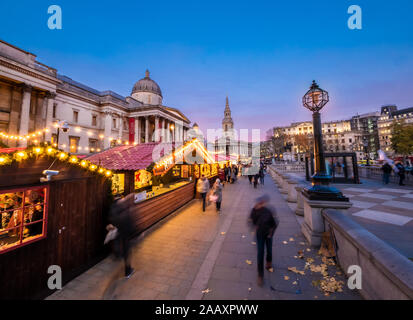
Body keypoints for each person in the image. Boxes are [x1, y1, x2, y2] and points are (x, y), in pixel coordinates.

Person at [249, 194, 278, 286]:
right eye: (258, 203)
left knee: (269, 250)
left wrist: (271, 233)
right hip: (260, 235)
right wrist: (255, 226)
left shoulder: (268, 211)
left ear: (264, 203)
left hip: (268, 235)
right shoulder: (254, 211)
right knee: (260, 253)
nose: (259, 205)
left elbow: (274, 223)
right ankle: (260, 275)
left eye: (261, 203)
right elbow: (251, 221)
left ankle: (269, 262)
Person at [108, 194, 136, 278]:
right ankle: (128, 270)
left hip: (118, 231)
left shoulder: (112, 207)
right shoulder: (124, 207)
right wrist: (135, 232)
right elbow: (129, 220)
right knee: (127, 251)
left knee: (120, 246)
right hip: (125, 232)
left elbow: (111, 219)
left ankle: (118, 255)